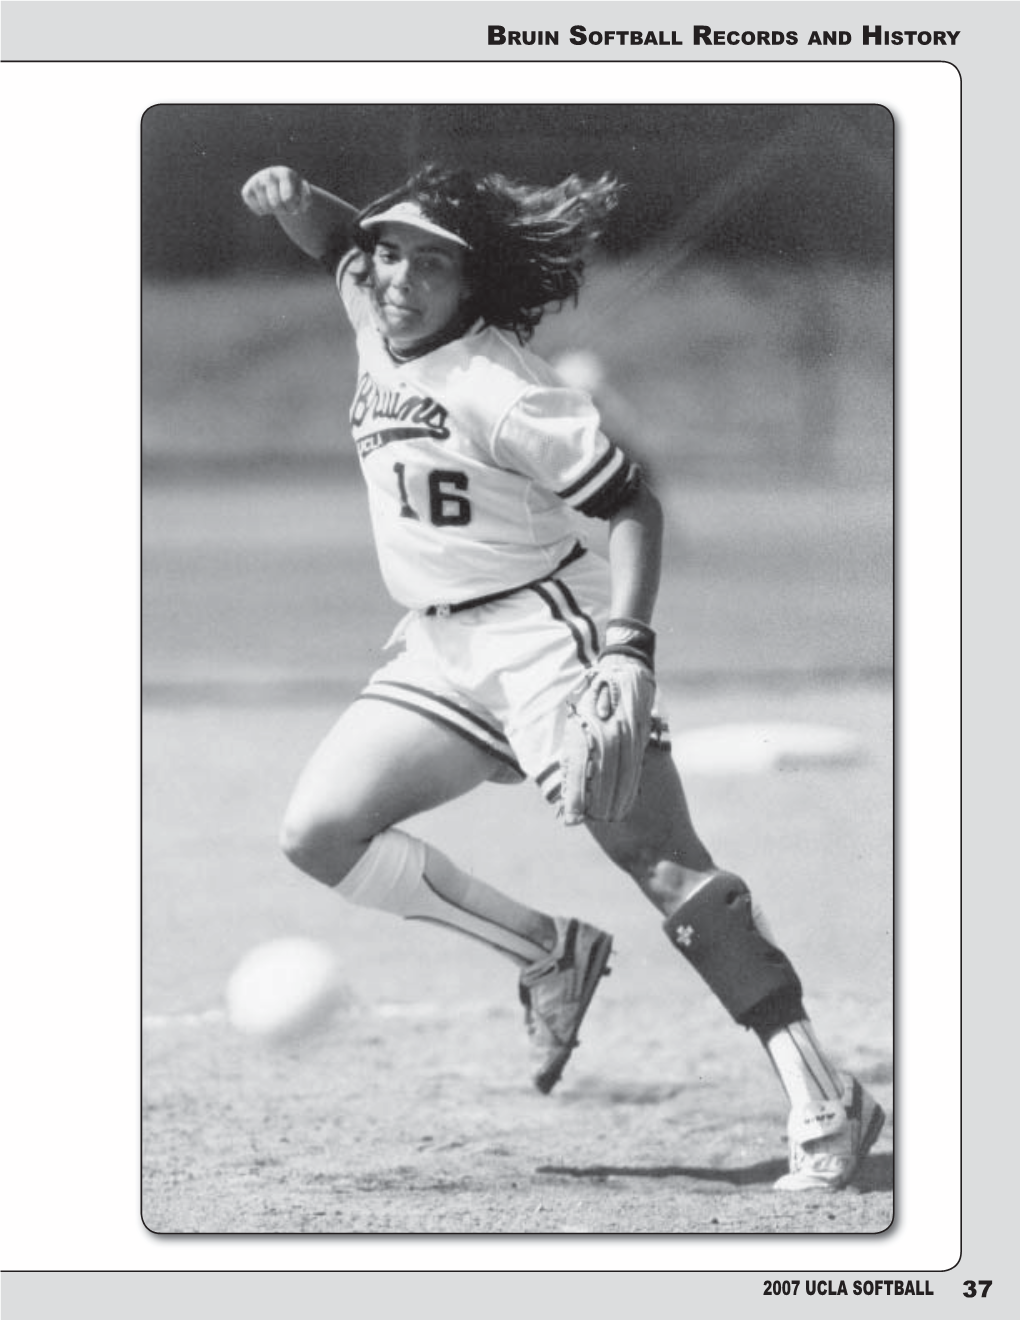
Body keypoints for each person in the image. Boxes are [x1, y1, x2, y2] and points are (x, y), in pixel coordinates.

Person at [240, 160, 884, 1192]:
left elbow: (634, 504)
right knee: (318, 834)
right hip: (438, 649)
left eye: (431, 263)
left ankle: (825, 1097)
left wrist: (626, 648)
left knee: (666, 867)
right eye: (391, 252)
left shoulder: (507, 390)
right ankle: (548, 955)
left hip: (547, 635)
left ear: (472, 283)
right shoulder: (370, 299)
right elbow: (335, 237)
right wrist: (298, 197)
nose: (399, 277)